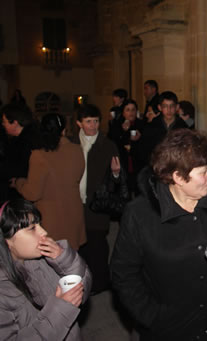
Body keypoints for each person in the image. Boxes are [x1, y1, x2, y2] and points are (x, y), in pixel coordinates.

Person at [111, 129, 207, 341]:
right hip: (169, 331)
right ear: (178, 177)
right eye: (203, 172)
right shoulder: (140, 213)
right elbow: (123, 273)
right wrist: (152, 316)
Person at [0, 199, 91, 340]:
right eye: (32, 228)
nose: (44, 232)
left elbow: (82, 290)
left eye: (39, 224)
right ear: (6, 241)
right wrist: (61, 309)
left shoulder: (41, 261)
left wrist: (64, 259)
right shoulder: (3, 291)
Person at [11, 114, 86, 250]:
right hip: (73, 212)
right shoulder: (77, 150)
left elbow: (32, 193)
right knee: (70, 260)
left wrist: (19, 182)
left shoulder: (39, 155)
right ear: (64, 130)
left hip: (52, 218)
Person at [74, 104, 120, 294]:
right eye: (88, 122)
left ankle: (100, 281)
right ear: (79, 123)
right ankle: (82, 280)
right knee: (79, 244)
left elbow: (118, 180)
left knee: (98, 243)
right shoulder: (71, 144)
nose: (93, 126)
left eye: (96, 121)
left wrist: (116, 174)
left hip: (98, 201)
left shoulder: (107, 145)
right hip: (75, 201)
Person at [0, 103, 41, 200]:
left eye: (4, 121)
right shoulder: (24, 138)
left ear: (15, 123)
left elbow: (19, 168)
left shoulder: (26, 142)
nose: (2, 124)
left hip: (23, 193)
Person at [138, 91, 188, 168]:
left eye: (172, 106)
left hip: (177, 166)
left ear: (177, 107)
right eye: (165, 106)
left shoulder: (184, 128)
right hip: (156, 166)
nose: (169, 109)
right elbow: (145, 151)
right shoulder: (151, 127)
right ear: (160, 107)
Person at [108, 99, 145, 195]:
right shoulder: (117, 125)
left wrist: (139, 139)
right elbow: (112, 141)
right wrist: (123, 132)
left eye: (133, 110)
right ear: (123, 112)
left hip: (138, 164)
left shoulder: (142, 124)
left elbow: (146, 146)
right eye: (128, 110)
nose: (131, 112)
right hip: (123, 163)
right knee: (124, 192)